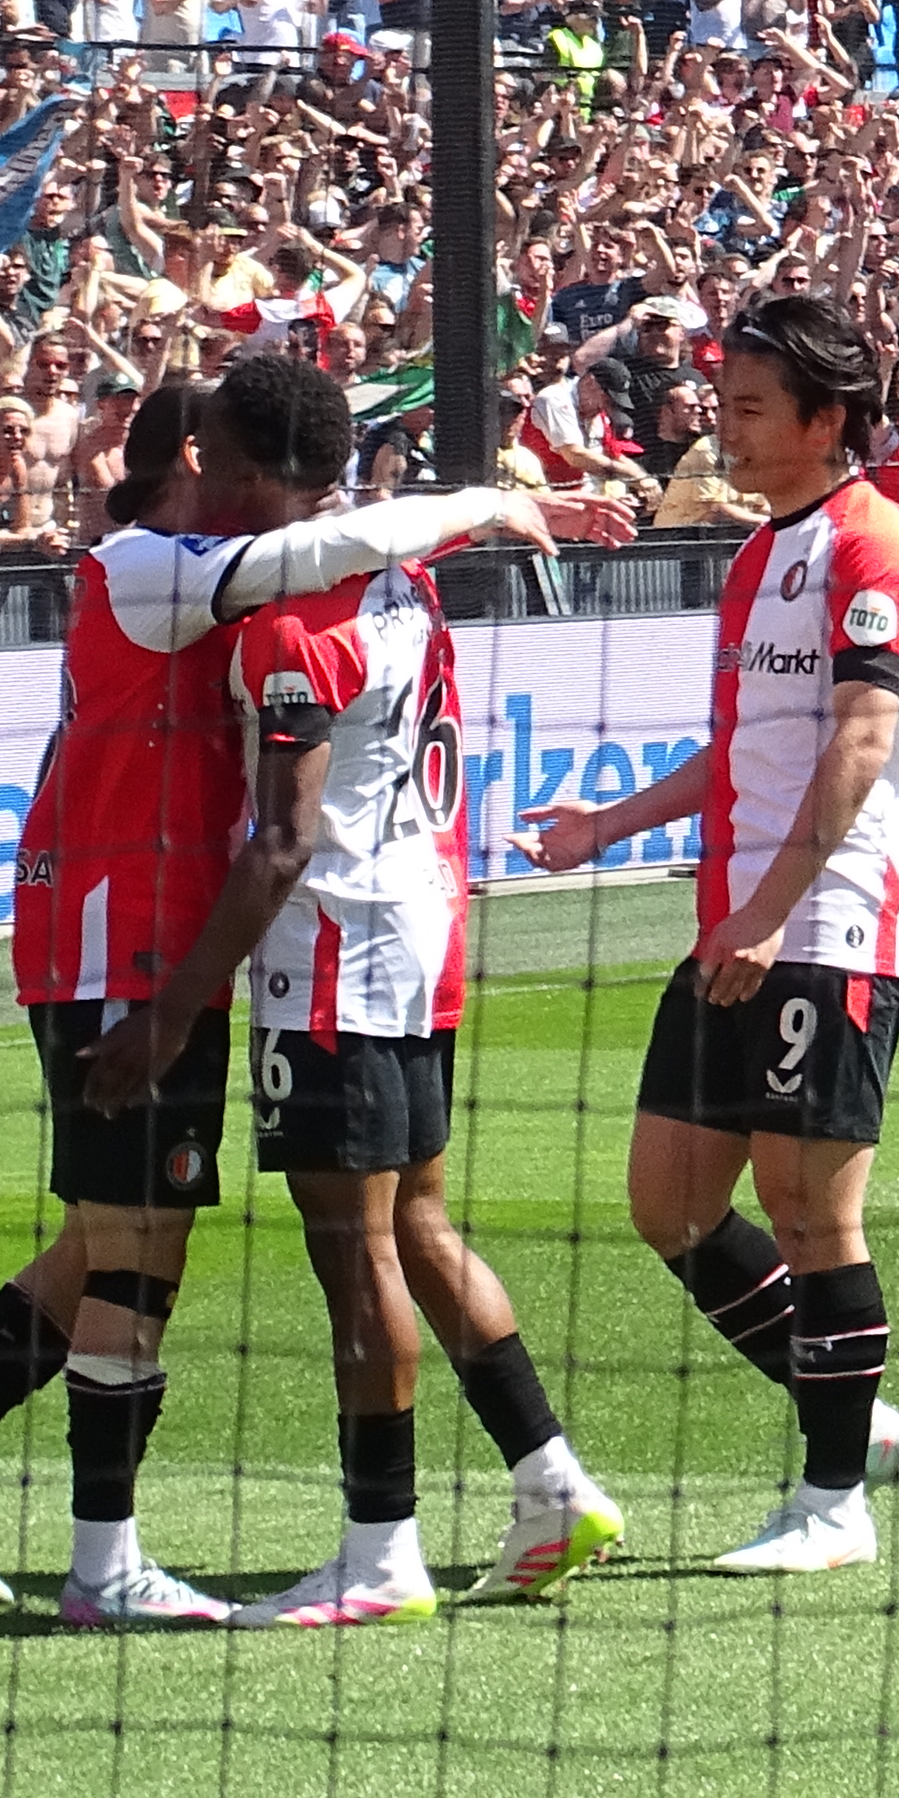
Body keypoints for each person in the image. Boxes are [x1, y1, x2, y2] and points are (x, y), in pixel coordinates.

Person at [0, 367, 629, 1627]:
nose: (206, 495)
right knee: (144, 1246)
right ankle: (97, 1558)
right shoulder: (150, 567)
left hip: (275, 947)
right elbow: (340, 537)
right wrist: (487, 498)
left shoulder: (283, 597)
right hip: (144, 946)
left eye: (222, 470)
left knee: (149, 1240)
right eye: (194, 471)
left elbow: (320, 571)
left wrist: (482, 497)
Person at [192, 375, 633, 1624]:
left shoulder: (294, 622)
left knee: (356, 1251)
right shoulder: (403, 580)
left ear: (264, 472)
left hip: (330, 945)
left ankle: (380, 1550)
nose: (206, 485)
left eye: (219, 460)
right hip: (426, 921)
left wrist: (179, 1004)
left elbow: (281, 837)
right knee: (423, 1228)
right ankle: (552, 1483)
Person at [528, 293, 899, 1571]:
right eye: (724, 403)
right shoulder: (763, 552)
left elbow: (860, 744)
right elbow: (746, 749)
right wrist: (611, 825)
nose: (726, 426)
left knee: (811, 1210)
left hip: (832, 917)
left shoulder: (880, 549)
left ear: (828, 422)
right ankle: (848, 1414)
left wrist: (768, 913)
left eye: (752, 408)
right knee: (671, 1203)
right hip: (744, 915)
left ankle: (832, 1507)